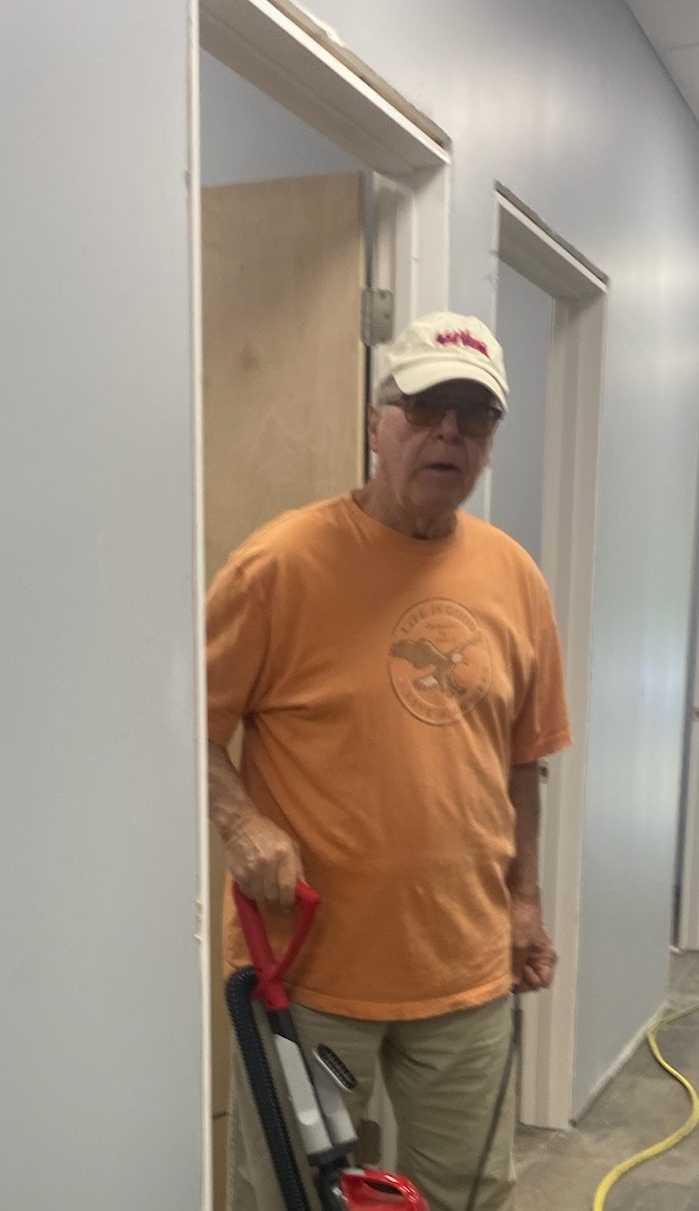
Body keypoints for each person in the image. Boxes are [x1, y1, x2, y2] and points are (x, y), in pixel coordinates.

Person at [207, 311, 572, 1211]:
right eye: (424, 408)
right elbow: (184, 726)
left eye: (473, 415)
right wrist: (240, 822)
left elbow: (522, 761)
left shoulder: (515, 577)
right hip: (307, 971)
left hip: (465, 968)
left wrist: (524, 902)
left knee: (471, 1194)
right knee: (293, 1197)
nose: (448, 433)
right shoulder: (278, 565)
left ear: (489, 440)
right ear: (378, 422)